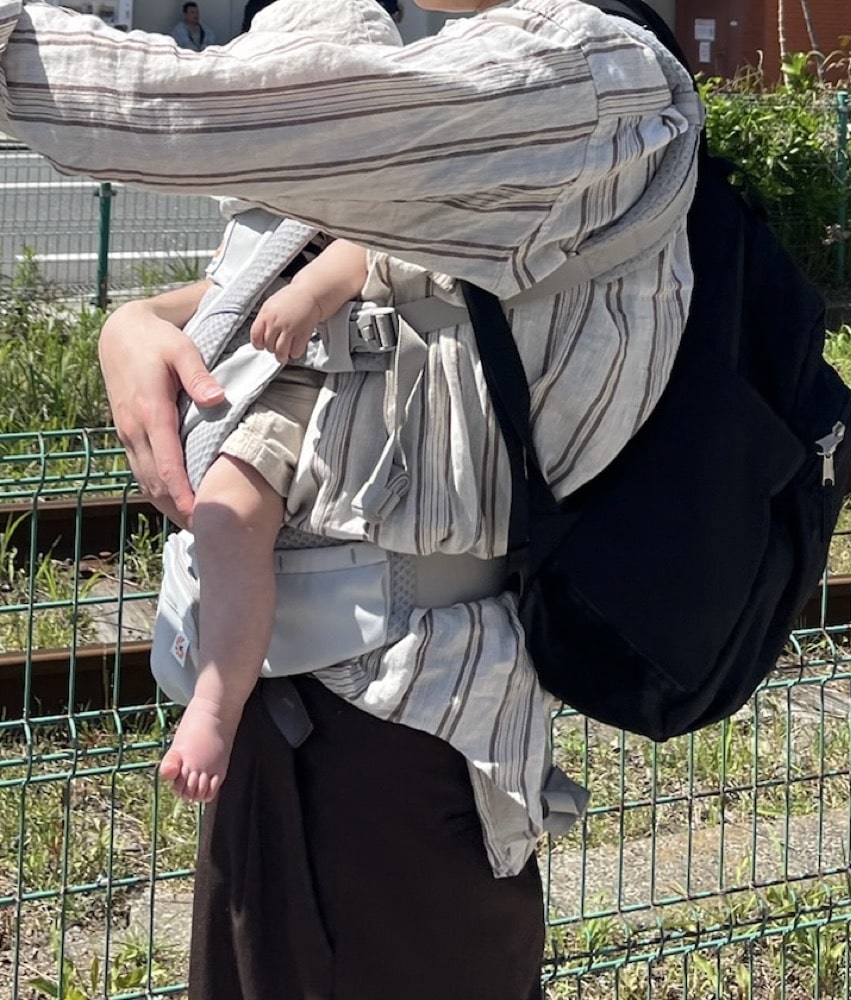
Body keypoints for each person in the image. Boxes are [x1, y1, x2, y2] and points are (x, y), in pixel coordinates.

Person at [0, 0, 702, 997]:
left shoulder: (586, 71)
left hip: (409, 713)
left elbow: (223, 114)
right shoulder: (450, 77)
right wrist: (134, 321)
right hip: (278, 710)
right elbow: (270, 266)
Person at [139, 231, 369, 803]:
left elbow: (380, 232)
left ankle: (215, 705)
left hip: (316, 363)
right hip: (255, 359)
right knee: (218, 523)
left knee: (227, 516)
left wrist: (312, 292)